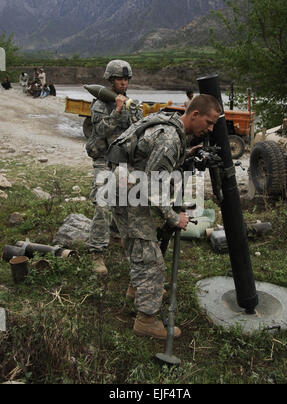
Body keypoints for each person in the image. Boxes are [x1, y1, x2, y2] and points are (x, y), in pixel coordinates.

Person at [105, 94, 222, 339]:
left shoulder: (170, 128)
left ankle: (136, 291)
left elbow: (152, 162)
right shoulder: (170, 138)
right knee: (151, 260)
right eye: (209, 123)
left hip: (126, 188)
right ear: (195, 115)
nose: (210, 129)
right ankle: (146, 320)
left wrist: (187, 154)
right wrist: (173, 217)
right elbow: (153, 187)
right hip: (129, 194)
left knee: (140, 247)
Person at [85, 59, 143, 277]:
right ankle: (97, 252)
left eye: (126, 79)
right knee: (102, 204)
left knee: (127, 202)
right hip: (103, 159)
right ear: (111, 80)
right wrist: (117, 111)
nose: (124, 82)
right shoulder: (100, 104)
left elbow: (138, 129)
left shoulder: (132, 103)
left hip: (123, 160)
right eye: (120, 78)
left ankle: (117, 234)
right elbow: (99, 131)